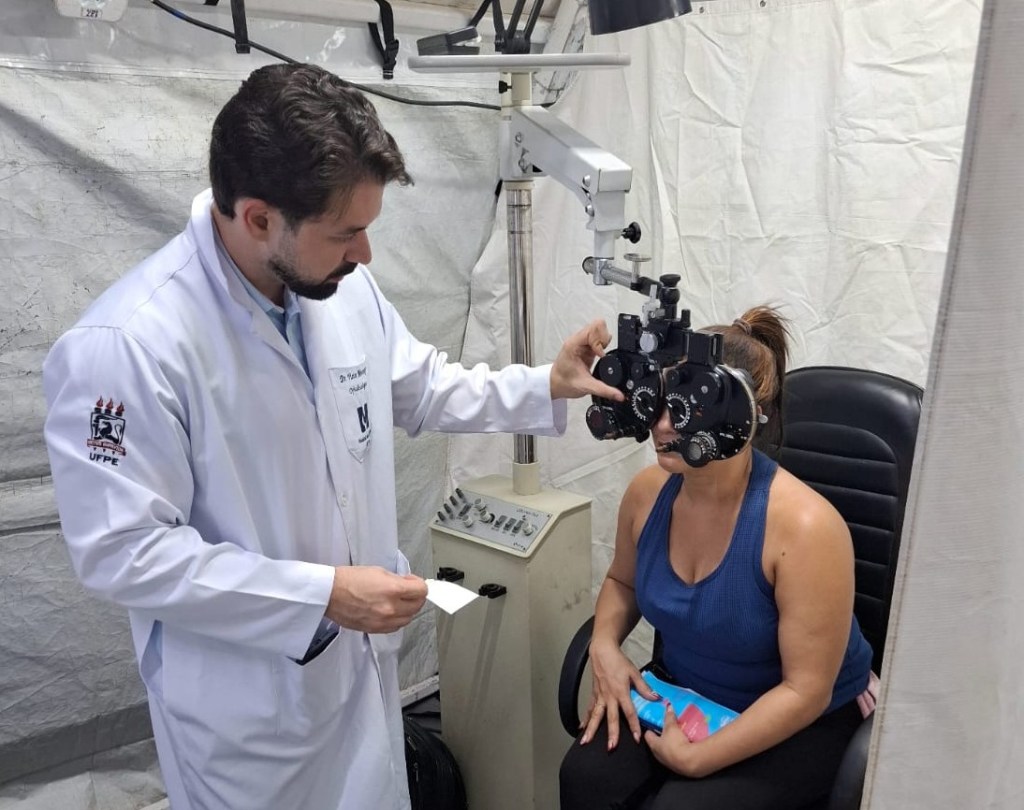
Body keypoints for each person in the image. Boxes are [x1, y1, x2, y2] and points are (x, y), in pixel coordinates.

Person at [42, 62, 621, 810]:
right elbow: (124, 554)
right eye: (347, 233)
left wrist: (547, 384)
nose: (366, 254)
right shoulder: (127, 347)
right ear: (258, 218)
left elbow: (420, 385)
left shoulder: (338, 286)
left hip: (359, 680)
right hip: (251, 716)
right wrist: (321, 596)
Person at [560, 306, 875, 810]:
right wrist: (604, 645)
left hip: (801, 715)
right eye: (660, 400)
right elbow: (623, 582)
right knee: (586, 778)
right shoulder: (647, 493)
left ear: (743, 417)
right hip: (687, 691)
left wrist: (697, 760)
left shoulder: (807, 529)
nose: (662, 425)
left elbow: (805, 691)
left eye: (687, 408)